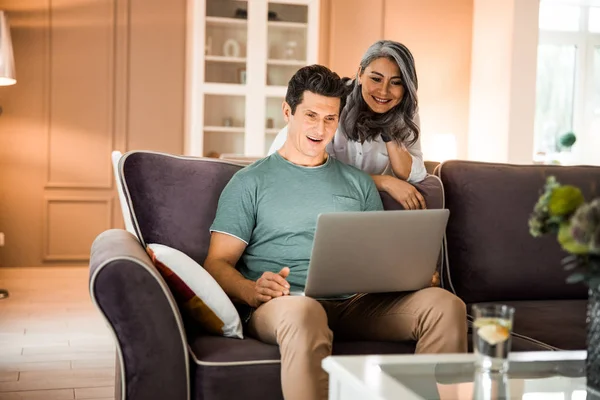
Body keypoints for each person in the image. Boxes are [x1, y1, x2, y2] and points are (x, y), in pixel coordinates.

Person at [204, 65, 467, 400]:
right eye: (311, 115)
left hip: (356, 303)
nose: (320, 128)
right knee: (306, 312)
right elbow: (216, 263)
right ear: (288, 112)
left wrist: (410, 275)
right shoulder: (249, 182)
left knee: (445, 306)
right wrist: (251, 289)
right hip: (287, 303)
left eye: (330, 118)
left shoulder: (357, 183)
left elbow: (379, 255)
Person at [269, 40, 427, 211]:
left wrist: (390, 130)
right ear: (360, 74)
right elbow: (319, 174)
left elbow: (414, 173)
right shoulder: (334, 103)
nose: (383, 91)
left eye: (396, 82)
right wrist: (384, 182)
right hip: (291, 182)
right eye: (376, 79)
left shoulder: (405, 112)